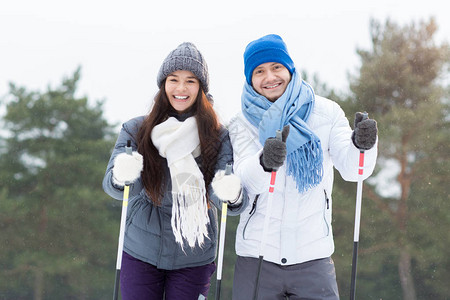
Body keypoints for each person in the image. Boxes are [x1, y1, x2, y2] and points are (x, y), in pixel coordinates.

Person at [228, 34, 378, 300]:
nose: (270, 77)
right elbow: (242, 182)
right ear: (250, 79)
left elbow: (355, 170)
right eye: (259, 71)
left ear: (290, 69)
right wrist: (264, 163)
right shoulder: (241, 123)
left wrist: (362, 146)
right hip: (257, 257)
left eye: (276, 67)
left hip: (313, 256)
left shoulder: (327, 113)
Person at [102, 42, 247, 300]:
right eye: (174, 79)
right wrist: (122, 174)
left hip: (194, 252)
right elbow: (118, 189)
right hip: (141, 249)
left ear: (201, 88)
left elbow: (229, 203)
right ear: (163, 84)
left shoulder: (217, 135)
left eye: (190, 81)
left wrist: (230, 193)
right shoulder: (136, 129)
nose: (181, 88)